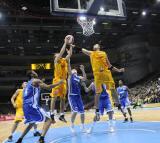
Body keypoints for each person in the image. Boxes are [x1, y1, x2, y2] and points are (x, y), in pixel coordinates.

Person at [16, 71, 64, 143]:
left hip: (25, 107)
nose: (36, 72)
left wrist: (42, 82)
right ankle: (41, 139)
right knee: (49, 120)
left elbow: (35, 90)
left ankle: (20, 140)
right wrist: (59, 83)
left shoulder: (28, 84)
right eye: (34, 72)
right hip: (32, 106)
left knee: (31, 123)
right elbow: (48, 87)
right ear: (32, 74)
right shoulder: (36, 80)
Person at [82, 44, 124, 121]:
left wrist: (119, 70)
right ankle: (97, 110)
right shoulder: (92, 53)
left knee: (113, 88)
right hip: (97, 75)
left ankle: (118, 104)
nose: (94, 46)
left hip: (105, 73)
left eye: (96, 45)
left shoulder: (104, 53)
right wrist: (73, 45)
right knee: (97, 93)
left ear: (98, 47)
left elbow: (110, 66)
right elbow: (83, 50)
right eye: (93, 45)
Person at [50, 36, 73, 123]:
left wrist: (70, 45)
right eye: (57, 54)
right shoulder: (56, 60)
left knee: (63, 99)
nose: (58, 55)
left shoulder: (64, 60)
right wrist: (65, 42)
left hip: (63, 81)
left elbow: (69, 55)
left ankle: (61, 115)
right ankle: (51, 114)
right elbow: (62, 52)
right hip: (57, 81)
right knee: (54, 97)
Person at [67, 48, 87, 133]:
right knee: (75, 111)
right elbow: (69, 66)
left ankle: (82, 126)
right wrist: (69, 57)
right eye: (73, 69)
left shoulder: (78, 77)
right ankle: (71, 125)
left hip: (78, 96)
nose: (74, 70)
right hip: (72, 96)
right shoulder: (70, 76)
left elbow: (85, 79)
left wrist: (83, 70)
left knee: (82, 112)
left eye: (75, 70)